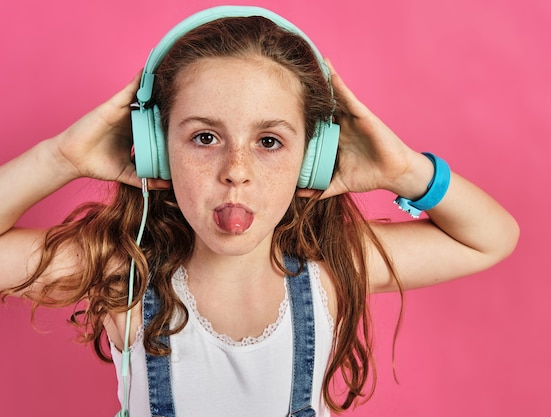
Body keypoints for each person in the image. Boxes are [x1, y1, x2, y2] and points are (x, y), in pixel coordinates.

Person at [0, 6, 519, 417]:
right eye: (205, 138)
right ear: (156, 149)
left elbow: (490, 237)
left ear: (312, 159)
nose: (236, 170)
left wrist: (404, 170)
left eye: (269, 141)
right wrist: (60, 157)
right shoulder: (124, 271)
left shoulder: (330, 271)